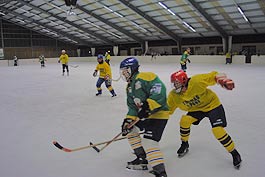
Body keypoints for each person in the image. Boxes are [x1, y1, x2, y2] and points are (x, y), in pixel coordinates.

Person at [167, 70, 242, 169]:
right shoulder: (174, 96)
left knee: (217, 130)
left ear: (184, 81)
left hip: (212, 105)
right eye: (173, 84)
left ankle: (234, 153)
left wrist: (223, 80)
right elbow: (167, 110)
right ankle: (184, 144)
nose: (175, 86)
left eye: (176, 83)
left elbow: (213, 76)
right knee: (185, 120)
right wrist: (152, 117)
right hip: (197, 109)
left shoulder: (196, 82)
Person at [120, 57, 169, 177]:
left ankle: (160, 172)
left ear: (132, 69)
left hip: (159, 114)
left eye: (125, 71)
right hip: (145, 116)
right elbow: (132, 107)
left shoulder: (146, 77)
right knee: (131, 131)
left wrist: (148, 106)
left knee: (149, 141)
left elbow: (159, 90)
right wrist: (128, 121)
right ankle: (142, 159)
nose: (123, 73)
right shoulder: (129, 87)